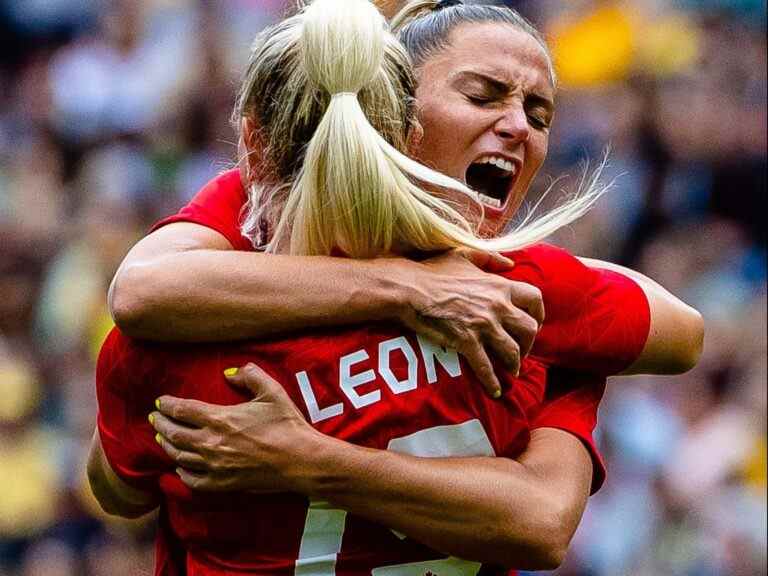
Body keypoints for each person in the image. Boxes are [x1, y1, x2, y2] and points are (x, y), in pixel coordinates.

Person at [88, 0, 703, 573]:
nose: (517, 126)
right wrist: (413, 285)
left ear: (253, 146)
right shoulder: (525, 300)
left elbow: (115, 489)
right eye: (482, 96)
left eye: (539, 114)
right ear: (400, 123)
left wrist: (309, 458)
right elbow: (680, 333)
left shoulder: (175, 338)